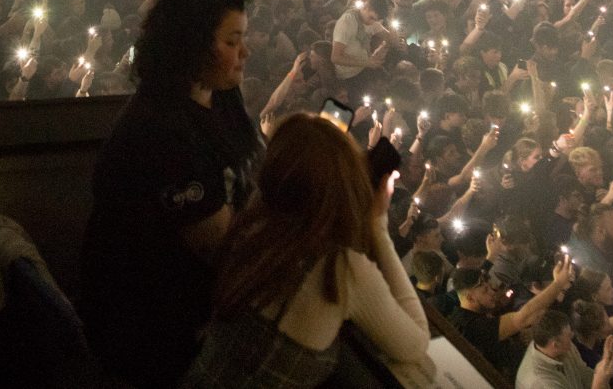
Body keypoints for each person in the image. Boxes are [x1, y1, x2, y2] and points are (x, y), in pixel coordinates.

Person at [82, 0, 261, 389]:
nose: (244, 53)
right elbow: (224, 252)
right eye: (231, 42)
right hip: (150, 332)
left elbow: (247, 169)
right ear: (192, 44)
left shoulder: (219, 94)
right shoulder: (164, 133)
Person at [184, 114, 431, 389]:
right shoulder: (342, 267)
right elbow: (415, 345)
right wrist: (378, 227)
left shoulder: (253, 220)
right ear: (342, 183)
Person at [440, 253, 578, 379]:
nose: (492, 292)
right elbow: (524, 317)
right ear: (470, 298)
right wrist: (558, 283)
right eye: (485, 290)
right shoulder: (472, 326)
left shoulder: (477, 314)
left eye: (490, 286)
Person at [517, 308, 613, 389]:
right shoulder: (542, 383)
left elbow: (584, 374)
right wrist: (599, 383)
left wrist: (606, 361)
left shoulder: (556, 345)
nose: (573, 338)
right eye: (569, 337)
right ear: (555, 345)